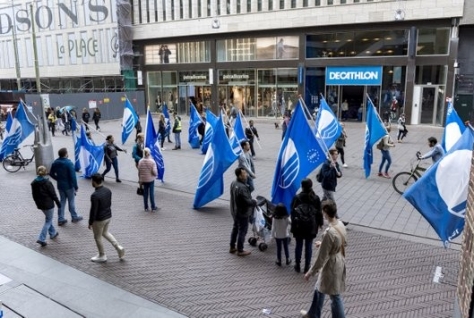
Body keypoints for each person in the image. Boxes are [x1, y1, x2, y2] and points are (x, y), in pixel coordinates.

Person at [301, 200, 347, 318]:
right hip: (339, 259)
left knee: (334, 295)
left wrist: (310, 272)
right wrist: (323, 244)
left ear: (326, 212)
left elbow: (321, 257)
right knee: (319, 288)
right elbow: (343, 242)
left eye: (323, 211)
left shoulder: (329, 232)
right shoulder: (340, 224)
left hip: (331, 265)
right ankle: (313, 313)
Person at [88, 173, 125, 263]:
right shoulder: (107, 190)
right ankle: (118, 246)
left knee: (97, 237)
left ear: (94, 182)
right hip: (108, 216)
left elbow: (94, 210)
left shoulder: (95, 195)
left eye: (92, 181)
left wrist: (90, 222)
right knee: (105, 232)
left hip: (99, 219)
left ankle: (102, 255)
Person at [290, 178, 323, 274]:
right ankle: (307, 266)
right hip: (311, 226)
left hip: (298, 226)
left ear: (302, 187)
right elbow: (319, 213)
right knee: (308, 246)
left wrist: (293, 223)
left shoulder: (297, 198)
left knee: (298, 245)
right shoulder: (315, 198)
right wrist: (320, 223)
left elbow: (292, 211)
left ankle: (297, 265)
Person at [49, 148, 83, 226]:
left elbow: (51, 173)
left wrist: (58, 179)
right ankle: (74, 217)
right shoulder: (69, 163)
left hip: (60, 185)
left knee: (62, 201)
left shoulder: (55, 162)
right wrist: (76, 186)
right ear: (65, 154)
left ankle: (60, 218)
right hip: (69, 185)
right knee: (71, 201)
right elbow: (73, 176)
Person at [229, 167, 257, 257]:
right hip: (242, 212)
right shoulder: (242, 187)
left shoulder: (234, 183)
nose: (246, 174)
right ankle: (240, 250)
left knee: (235, 228)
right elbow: (247, 202)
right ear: (240, 176)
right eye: (244, 173)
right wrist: (254, 202)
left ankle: (232, 246)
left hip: (234, 211)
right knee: (242, 230)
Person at [31, 166, 61, 247]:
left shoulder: (33, 183)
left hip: (40, 205)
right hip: (48, 204)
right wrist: (58, 203)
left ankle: (53, 233)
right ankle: (41, 238)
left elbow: (34, 195)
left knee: (48, 218)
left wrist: (37, 203)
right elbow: (53, 194)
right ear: (45, 172)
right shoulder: (48, 183)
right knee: (48, 221)